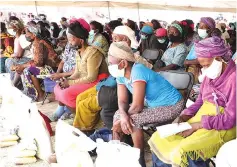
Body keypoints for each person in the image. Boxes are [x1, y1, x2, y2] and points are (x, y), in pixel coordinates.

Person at [149, 36, 236, 167]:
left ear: (219, 59)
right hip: (202, 119)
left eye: (206, 65)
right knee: (159, 138)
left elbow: (230, 119)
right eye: (202, 65)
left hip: (222, 126)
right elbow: (200, 101)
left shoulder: (234, 79)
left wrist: (197, 126)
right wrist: (184, 116)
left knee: (185, 150)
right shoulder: (210, 76)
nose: (204, 69)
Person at [109, 41, 184, 167]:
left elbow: (137, 106)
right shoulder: (120, 74)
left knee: (134, 119)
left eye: (111, 63)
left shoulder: (138, 71)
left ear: (123, 63)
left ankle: (139, 159)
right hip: (152, 104)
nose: (110, 66)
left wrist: (123, 119)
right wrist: (122, 117)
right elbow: (122, 101)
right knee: (118, 115)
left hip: (172, 105)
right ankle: (116, 152)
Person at [53, 19, 109, 116]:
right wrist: (67, 79)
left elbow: (92, 77)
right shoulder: (78, 52)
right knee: (58, 87)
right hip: (85, 79)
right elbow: (78, 72)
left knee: (67, 93)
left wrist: (70, 82)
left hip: (98, 81)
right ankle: (74, 113)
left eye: (72, 39)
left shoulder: (93, 52)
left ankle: (80, 117)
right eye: (69, 38)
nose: (69, 42)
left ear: (81, 39)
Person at [17, 24, 60, 101]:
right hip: (48, 66)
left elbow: (38, 63)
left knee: (27, 71)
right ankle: (37, 93)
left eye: (27, 33)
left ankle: (40, 94)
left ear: (33, 34)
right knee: (25, 68)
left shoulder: (38, 43)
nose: (26, 35)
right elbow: (36, 60)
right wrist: (23, 65)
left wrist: (24, 66)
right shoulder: (37, 42)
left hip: (52, 68)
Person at [184, 17, 217, 83]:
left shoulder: (213, 44)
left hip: (202, 75)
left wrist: (189, 62)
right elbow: (186, 60)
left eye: (202, 28)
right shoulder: (198, 43)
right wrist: (188, 62)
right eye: (199, 27)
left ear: (210, 29)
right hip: (191, 73)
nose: (199, 29)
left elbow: (207, 60)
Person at [5, 20, 32, 88]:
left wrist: (12, 55)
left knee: (10, 61)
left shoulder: (22, 37)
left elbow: (19, 54)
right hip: (23, 58)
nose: (9, 30)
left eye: (10, 28)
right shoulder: (17, 38)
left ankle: (14, 84)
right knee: (9, 61)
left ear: (16, 29)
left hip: (28, 58)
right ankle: (14, 82)